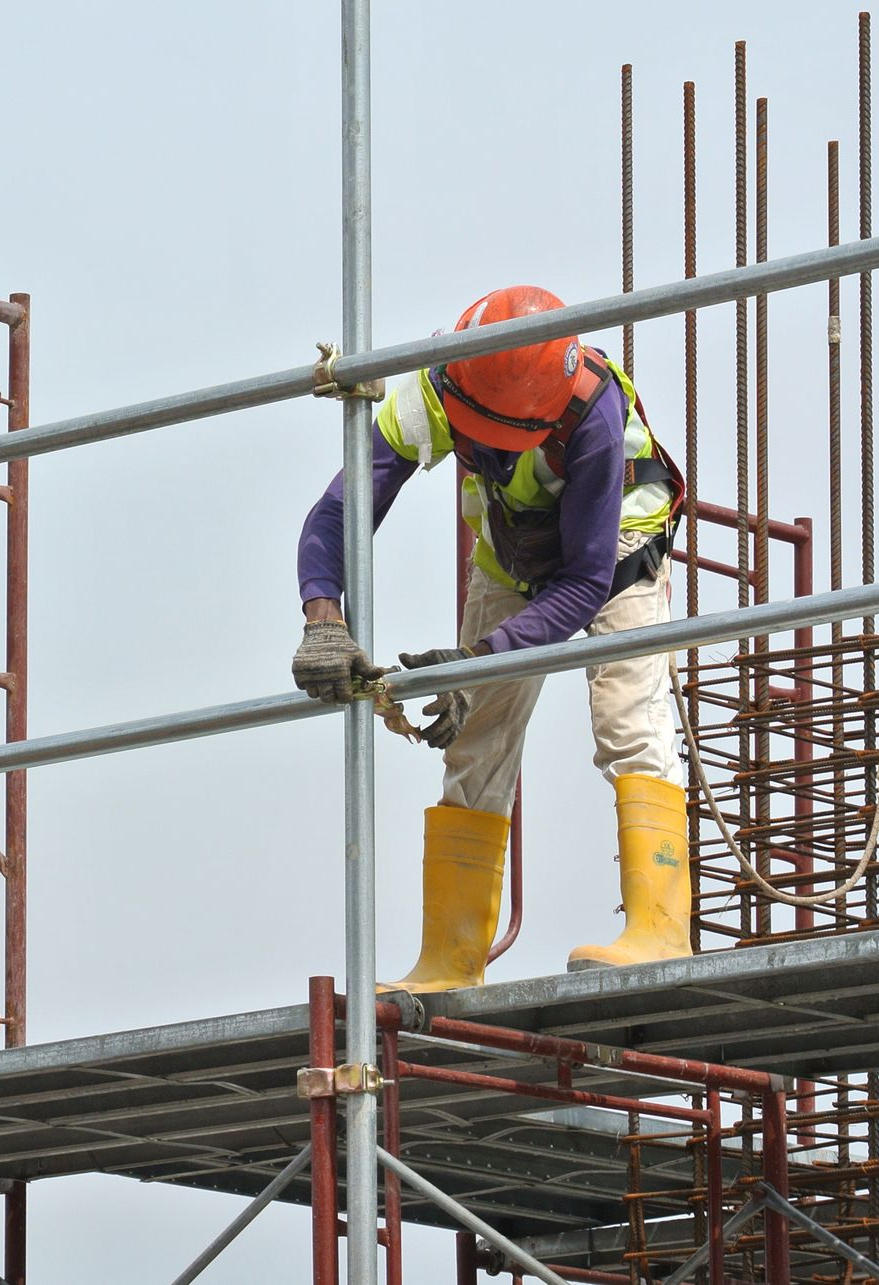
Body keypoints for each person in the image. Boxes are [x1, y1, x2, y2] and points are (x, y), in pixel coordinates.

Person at [291, 285, 689, 992]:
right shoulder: (437, 383)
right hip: (511, 550)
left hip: (617, 549)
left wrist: (478, 660)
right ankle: (450, 958)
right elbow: (338, 512)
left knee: (628, 717)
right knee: (477, 738)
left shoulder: (591, 414)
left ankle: (660, 928)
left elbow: (581, 582)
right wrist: (323, 618)